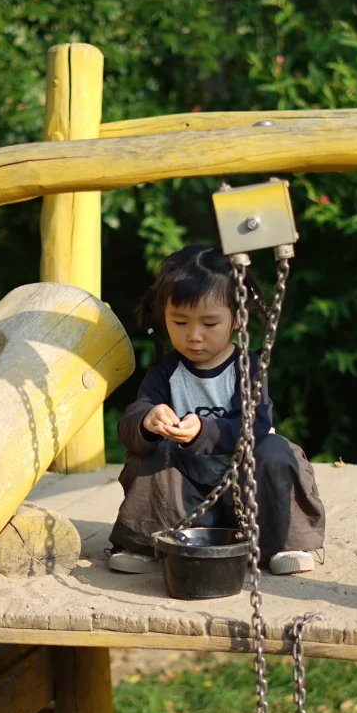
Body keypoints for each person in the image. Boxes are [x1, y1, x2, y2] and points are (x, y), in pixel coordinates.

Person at [108, 244, 325, 575]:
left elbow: (256, 425)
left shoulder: (248, 367)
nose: (194, 336)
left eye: (209, 324)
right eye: (179, 322)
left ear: (236, 320)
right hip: (188, 498)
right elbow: (131, 426)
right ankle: (146, 541)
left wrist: (203, 431)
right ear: (164, 314)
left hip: (247, 492)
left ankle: (285, 542)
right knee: (150, 455)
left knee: (277, 452)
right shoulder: (166, 372)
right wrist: (145, 422)